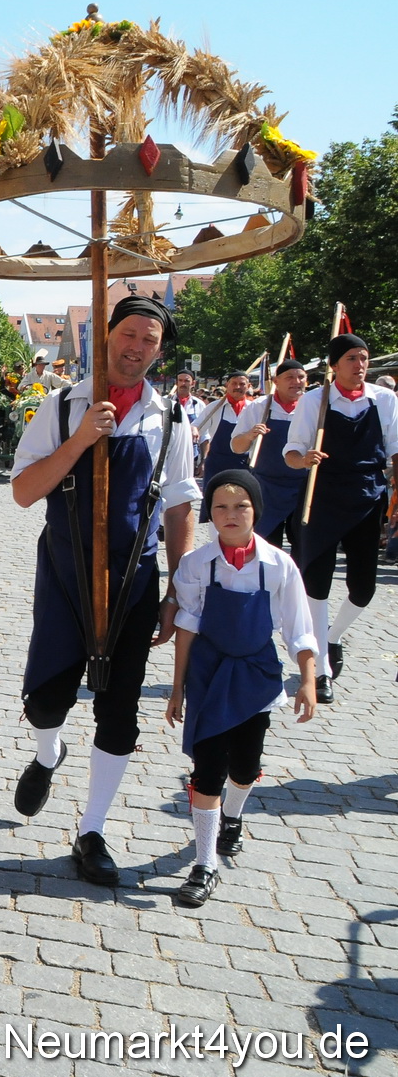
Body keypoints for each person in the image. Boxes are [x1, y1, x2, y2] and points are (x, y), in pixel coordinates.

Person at [8, 295, 197, 888]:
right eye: (130, 334)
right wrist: (80, 442)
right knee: (44, 698)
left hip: (134, 581)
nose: (138, 347)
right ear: (107, 335)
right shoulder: (63, 407)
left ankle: (91, 831)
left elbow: (180, 504)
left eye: (151, 340)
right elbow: (22, 492)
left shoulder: (171, 419)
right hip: (66, 570)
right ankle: (47, 752)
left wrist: (177, 591)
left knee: (119, 712)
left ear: (159, 352)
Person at [164, 468, 316, 906]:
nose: (231, 515)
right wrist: (178, 688)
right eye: (221, 507)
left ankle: (233, 814)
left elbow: (298, 627)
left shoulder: (278, 565)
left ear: (256, 511)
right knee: (207, 768)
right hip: (209, 676)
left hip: (255, 676)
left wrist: (307, 679)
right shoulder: (196, 565)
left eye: (241, 506)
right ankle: (205, 864)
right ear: (210, 514)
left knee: (245, 767)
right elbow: (187, 625)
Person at [282, 333, 398, 702]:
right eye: (351, 358)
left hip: (366, 497)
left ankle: (331, 636)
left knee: (364, 588)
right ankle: (320, 669)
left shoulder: (384, 400)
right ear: (334, 365)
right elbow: (291, 450)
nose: (360, 365)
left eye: (364, 358)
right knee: (317, 583)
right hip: (322, 497)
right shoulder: (314, 402)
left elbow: (395, 450)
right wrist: (304, 459)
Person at [230, 359, 309, 548]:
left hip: (303, 486)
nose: (296, 382)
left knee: (303, 545)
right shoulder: (259, 407)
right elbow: (236, 447)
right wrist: (250, 435)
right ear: (275, 381)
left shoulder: (312, 406)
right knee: (266, 545)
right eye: (289, 377)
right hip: (266, 487)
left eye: (301, 377)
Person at [193, 370, 252, 509]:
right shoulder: (214, 407)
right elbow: (197, 427)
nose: (238, 387)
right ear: (227, 385)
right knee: (216, 505)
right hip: (217, 465)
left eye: (242, 384)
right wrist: (193, 430)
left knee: (242, 505)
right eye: (234, 383)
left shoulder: (254, 409)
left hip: (244, 465)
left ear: (248, 386)